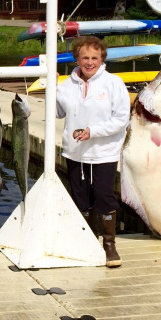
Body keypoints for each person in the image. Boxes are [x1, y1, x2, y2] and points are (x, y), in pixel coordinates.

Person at [56, 36, 130, 268]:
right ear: (76, 58)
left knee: (104, 196)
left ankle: (109, 245)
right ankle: (87, 241)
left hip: (103, 152)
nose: (89, 62)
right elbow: (58, 113)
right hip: (75, 152)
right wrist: (50, 87)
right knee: (80, 198)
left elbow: (121, 120)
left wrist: (92, 131)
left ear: (102, 59)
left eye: (94, 58)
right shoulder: (66, 85)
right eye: (85, 57)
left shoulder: (113, 83)